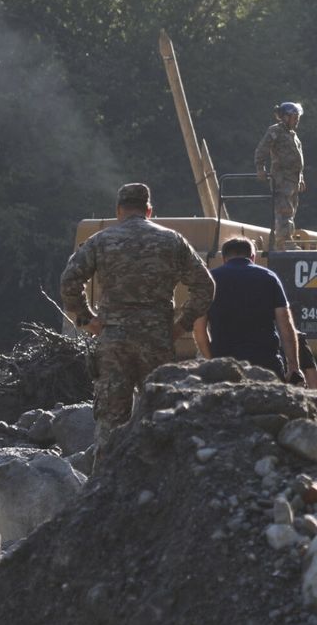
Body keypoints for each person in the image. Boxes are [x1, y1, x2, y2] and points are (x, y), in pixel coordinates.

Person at [61, 183, 214, 449]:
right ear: (149, 210)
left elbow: (69, 282)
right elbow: (205, 286)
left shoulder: (101, 240)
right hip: (157, 341)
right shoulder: (172, 240)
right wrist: (182, 325)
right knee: (158, 415)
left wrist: (88, 319)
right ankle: (155, 483)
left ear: (119, 210)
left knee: (110, 419)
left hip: (113, 341)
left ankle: (103, 485)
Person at [192, 238, 302, 383]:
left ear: (224, 259)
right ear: (253, 257)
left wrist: (212, 362)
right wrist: (294, 367)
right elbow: (286, 327)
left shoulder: (209, 281)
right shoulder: (269, 278)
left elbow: (199, 330)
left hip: (225, 368)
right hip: (266, 365)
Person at [254, 101, 305, 248]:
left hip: (293, 180)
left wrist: (300, 178)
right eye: (294, 117)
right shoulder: (275, 131)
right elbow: (262, 149)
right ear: (285, 117)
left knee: (291, 211)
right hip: (282, 179)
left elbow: (297, 158)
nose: (297, 120)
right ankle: (284, 242)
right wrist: (260, 167)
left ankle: (286, 240)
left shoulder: (293, 135)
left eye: (297, 117)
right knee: (284, 212)